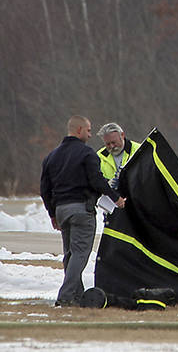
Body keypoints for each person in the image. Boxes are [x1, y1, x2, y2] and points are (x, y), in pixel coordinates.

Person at [39, 115, 126, 306]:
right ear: (79, 130)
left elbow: (44, 189)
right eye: (88, 130)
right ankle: (65, 297)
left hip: (61, 210)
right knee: (80, 254)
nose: (90, 134)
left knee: (69, 254)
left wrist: (52, 213)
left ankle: (76, 297)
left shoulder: (51, 157)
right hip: (81, 211)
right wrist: (116, 198)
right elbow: (97, 181)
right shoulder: (87, 154)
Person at [96, 122, 140, 190]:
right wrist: (106, 184)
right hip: (112, 198)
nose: (112, 146)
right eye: (108, 144)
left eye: (114, 142)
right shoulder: (99, 156)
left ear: (122, 135)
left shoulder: (138, 150)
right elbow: (95, 179)